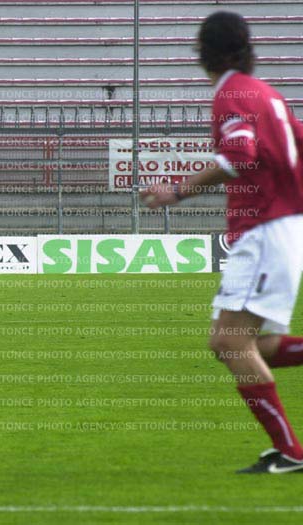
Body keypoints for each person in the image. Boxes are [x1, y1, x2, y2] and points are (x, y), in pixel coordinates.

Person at [141, 11, 303, 474]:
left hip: (265, 226)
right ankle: (289, 452)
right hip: (283, 225)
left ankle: (292, 453)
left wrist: (177, 190)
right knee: (238, 343)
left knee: (231, 342)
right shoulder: (268, 94)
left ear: (203, 53)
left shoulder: (232, 93)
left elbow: (238, 154)